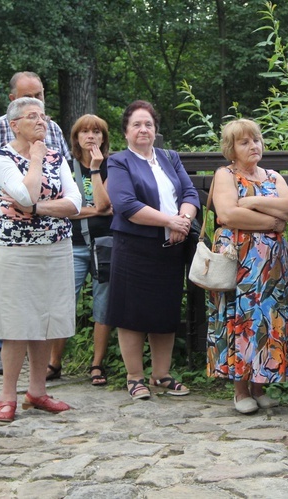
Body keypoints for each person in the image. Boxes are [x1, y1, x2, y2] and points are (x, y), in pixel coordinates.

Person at [0, 71, 71, 376]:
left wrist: (41, 205)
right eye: (28, 97)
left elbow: (66, 172)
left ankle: (40, 358)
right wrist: (6, 192)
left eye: (39, 95)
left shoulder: (51, 128)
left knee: (43, 295)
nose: (36, 102)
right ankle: (1, 348)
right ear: (12, 100)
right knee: (7, 290)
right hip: (8, 227)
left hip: (48, 224)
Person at [0, 97, 81, 422]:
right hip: (15, 249)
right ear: (14, 124)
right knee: (17, 322)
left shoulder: (59, 157)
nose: (41, 122)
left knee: (47, 318)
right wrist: (37, 160)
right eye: (32, 117)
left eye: (43, 116)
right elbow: (25, 192)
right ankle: (7, 396)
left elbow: (75, 203)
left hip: (56, 246)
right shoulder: (2, 158)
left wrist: (36, 209)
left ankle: (38, 392)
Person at [106, 100, 199, 400]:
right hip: (133, 248)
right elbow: (125, 205)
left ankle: (162, 374)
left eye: (148, 124)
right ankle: (135, 377)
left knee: (165, 312)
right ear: (126, 132)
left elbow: (189, 193)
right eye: (136, 124)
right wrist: (170, 220)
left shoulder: (169, 157)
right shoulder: (119, 161)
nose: (143, 129)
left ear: (155, 129)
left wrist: (182, 222)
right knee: (131, 313)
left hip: (171, 248)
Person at [207, 118, 288, 414]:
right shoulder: (225, 174)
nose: (253, 146)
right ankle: (240, 390)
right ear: (231, 149)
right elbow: (228, 215)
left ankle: (260, 387)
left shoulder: (272, 175)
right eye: (244, 142)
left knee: (268, 319)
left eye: (256, 140)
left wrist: (249, 203)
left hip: (271, 264)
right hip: (240, 260)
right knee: (240, 317)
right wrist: (272, 222)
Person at [46, 114, 114, 385]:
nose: (90, 137)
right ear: (75, 138)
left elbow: (107, 206)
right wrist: (89, 210)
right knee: (63, 302)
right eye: (84, 132)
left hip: (104, 243)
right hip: (72, 245)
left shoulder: (112, 166)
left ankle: (97, 364)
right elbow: (61, 209)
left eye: (96, 132)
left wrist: (96, 169)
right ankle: (54, 362)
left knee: (103, 305)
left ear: (103, 138)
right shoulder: (65, 165)